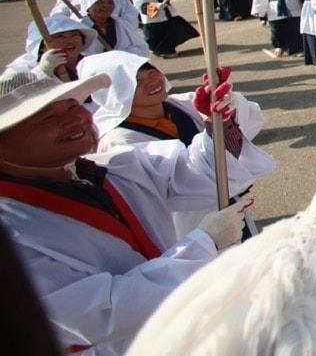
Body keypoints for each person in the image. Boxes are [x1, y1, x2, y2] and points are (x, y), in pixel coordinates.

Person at [0, 69, 272, 356]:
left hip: (180, 344)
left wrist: (222, 127)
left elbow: (200, 174)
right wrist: (204, 244)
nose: (76, 119)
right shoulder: (11, 229)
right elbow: (101, 313)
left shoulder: (111, 167)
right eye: (46, 118)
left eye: (73, 106)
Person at [79, 51, 266, 237]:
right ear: (115, 93)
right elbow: (183, 181)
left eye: (151, 71)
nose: (152, 81)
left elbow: (250, 118)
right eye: (137, 80)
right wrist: (215, 123)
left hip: (228, 207)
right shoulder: (118, 142)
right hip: (187, 227)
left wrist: (223, 100)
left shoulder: (179, 104)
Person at [76, 0, 149, 57]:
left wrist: (120, 55)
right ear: (87, 5)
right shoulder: (80, 28)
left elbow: (141, 47)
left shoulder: (120, 23)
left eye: (110, 2)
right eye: (99, 2)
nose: (106, 6)